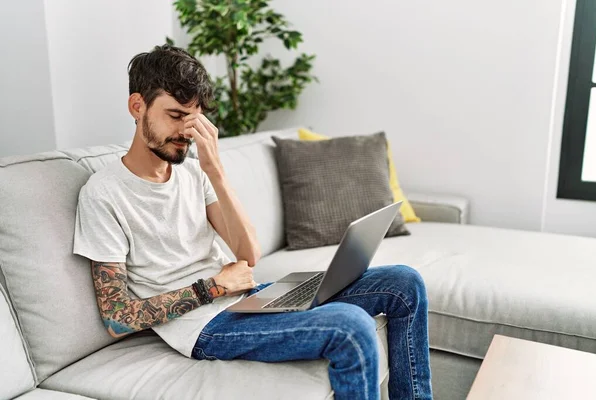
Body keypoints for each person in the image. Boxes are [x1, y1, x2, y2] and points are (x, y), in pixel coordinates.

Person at [73, 44, 432, 400]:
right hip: (204, 326)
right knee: (351, 327)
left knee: (404, 283)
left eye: (194, 118)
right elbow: (117, 318)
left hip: (248, 298)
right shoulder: (104, 194)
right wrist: (211, 287)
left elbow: (248, 253)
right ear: (138, 106)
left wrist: (215, 170)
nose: (186, 130)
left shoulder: (195, 174)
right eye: (175, 115)